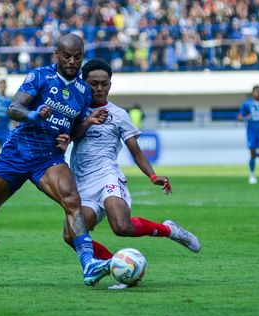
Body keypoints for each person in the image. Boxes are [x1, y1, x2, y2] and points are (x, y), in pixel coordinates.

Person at [0, 34, 112, 286]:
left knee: (72, 200)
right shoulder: (39, 76)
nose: (73, 61)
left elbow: (71, 133)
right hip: (16, 153)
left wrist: (86, 122)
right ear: (57, 54)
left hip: (49, 158)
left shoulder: (83, 91)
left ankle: (88, 264)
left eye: (78, 57)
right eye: (67, 56)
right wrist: (34, 114)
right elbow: (13, 109)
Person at [59, 59, 200, 274]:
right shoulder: (76, 111)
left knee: (121, 226)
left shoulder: (119, 114)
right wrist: (88, 121)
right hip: (82, 184)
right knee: (71, 235)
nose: (99, 88)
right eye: (93, 83)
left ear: (110, 85)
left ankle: (169, 230)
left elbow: (136, 152)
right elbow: (68, 138)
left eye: (104, 84)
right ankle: (114, 265)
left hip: (107, 176)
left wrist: (153, 176)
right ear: (83, 83)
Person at [237, 85, 259, 184]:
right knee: (252, 153)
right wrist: (245, 118)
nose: (257, 94)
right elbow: (239, 116)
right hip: (251, 132)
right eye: (255, 92)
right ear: (252, 93)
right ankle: (252, 174)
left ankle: (253, 156)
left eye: (258, 92)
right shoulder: (247, 104)